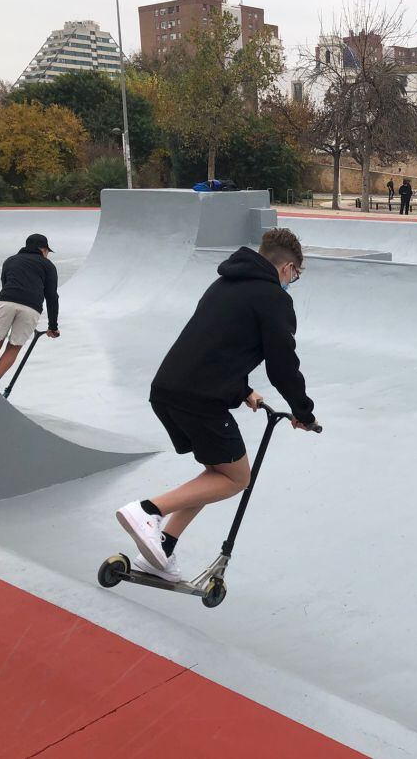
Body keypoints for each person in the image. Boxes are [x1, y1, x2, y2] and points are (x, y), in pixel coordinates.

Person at [115, 228, 318, 581]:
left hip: (168, 390)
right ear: (286, 269)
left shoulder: (224, 283)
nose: (292, 284)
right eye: (295, 277)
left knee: (216, 473)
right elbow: (283, 365)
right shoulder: (273, 298)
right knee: (237, 478)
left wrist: (242, 390)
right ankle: (148, 510)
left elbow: (213, 344)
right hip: (201, 400)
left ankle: (162, 547)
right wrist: (303, 413)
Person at [0, 233, 60, 383]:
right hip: (31, 308)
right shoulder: (48, 266)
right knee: (14, 347)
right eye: (48, 252)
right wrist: (53, 327)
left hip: (6, 301)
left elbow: (5, 283)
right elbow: (52, 297)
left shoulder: (10, 261)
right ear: (43, 249)